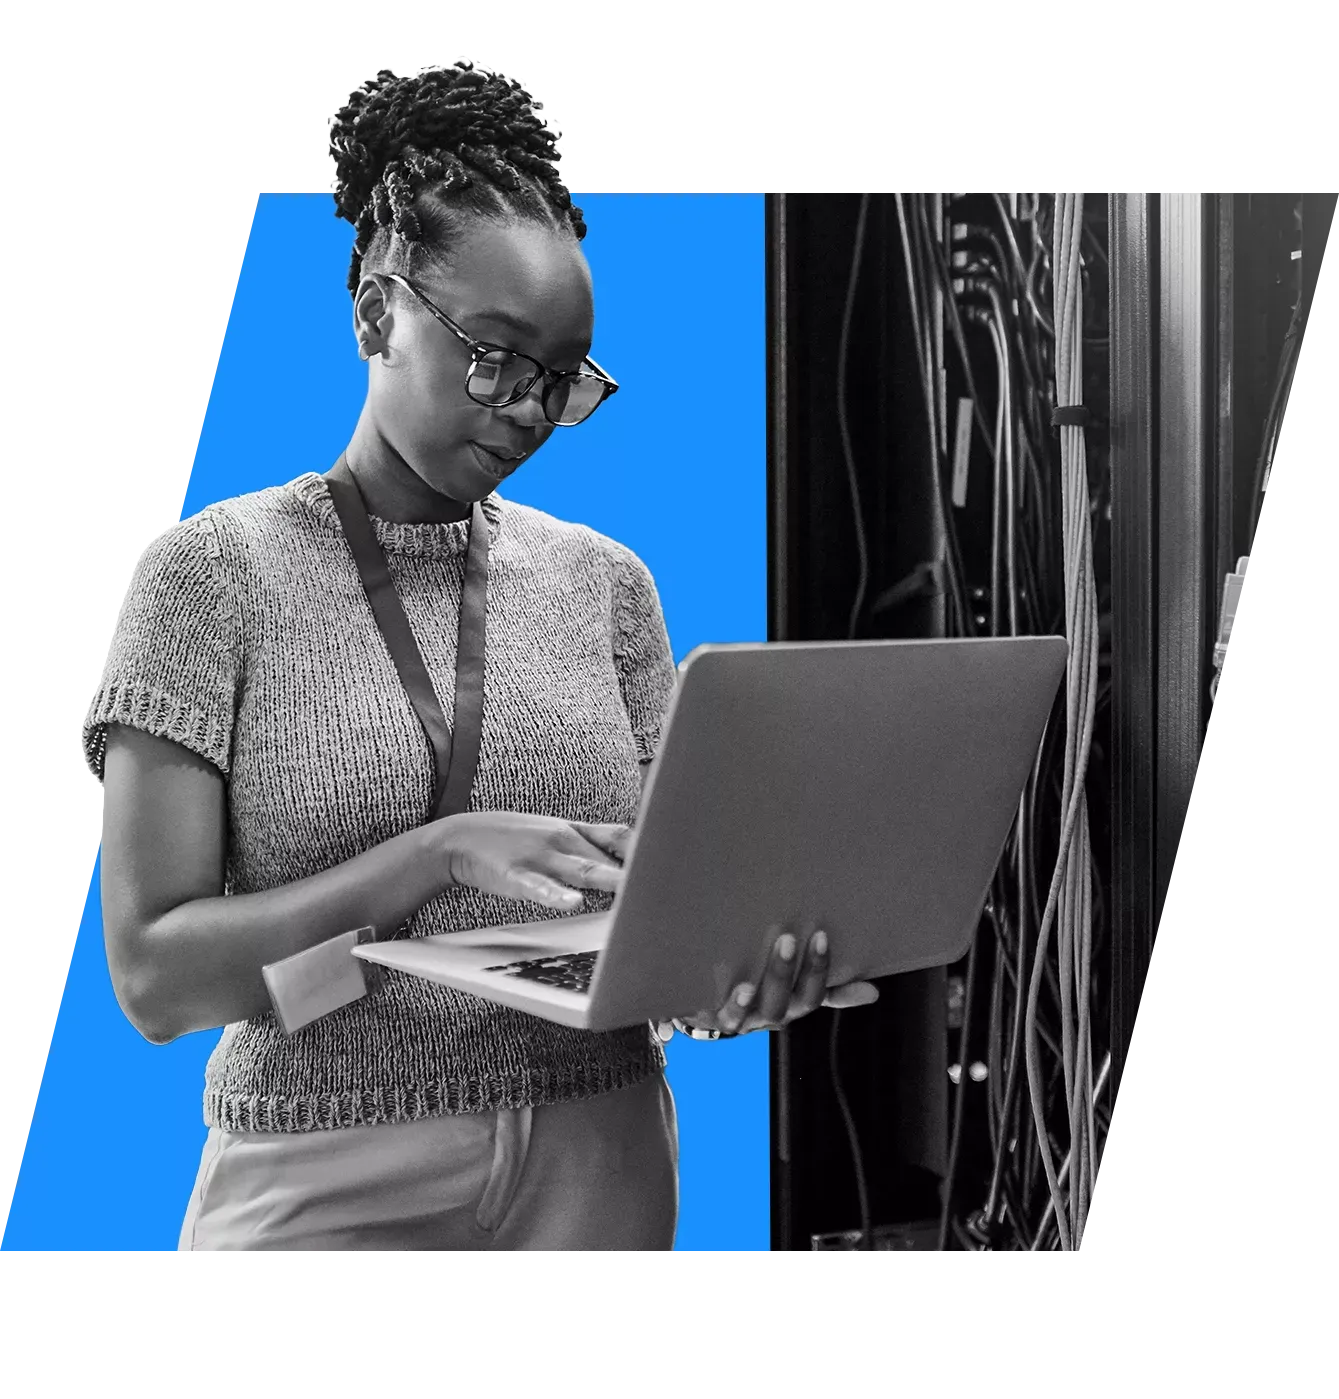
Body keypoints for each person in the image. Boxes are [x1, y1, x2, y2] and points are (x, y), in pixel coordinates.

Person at [84, 57, 877, 1257]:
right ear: (375, 314)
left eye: (558, 380)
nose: (521, 409)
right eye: (493, 354)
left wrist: (727, 986)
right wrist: (438, 851)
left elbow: (666, 909)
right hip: (323, 1165)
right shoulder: (208, 578)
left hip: (599, 1154)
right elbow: (154, 978)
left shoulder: (606, 586)